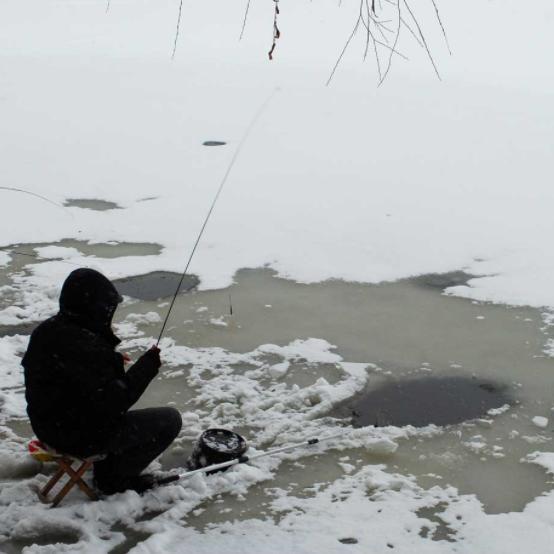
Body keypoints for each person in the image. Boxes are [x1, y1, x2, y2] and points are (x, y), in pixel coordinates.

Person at [22, 268, 182, 495]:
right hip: (78, 437)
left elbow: (74, 378)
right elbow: (116, 402)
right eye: (106, 308)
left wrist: (111, 360)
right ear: (93, 308)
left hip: (47, 427)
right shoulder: (87, 348)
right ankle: (113, 480)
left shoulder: (48, 330)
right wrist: (146, 367)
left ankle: (106, 463)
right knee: (169, 420)